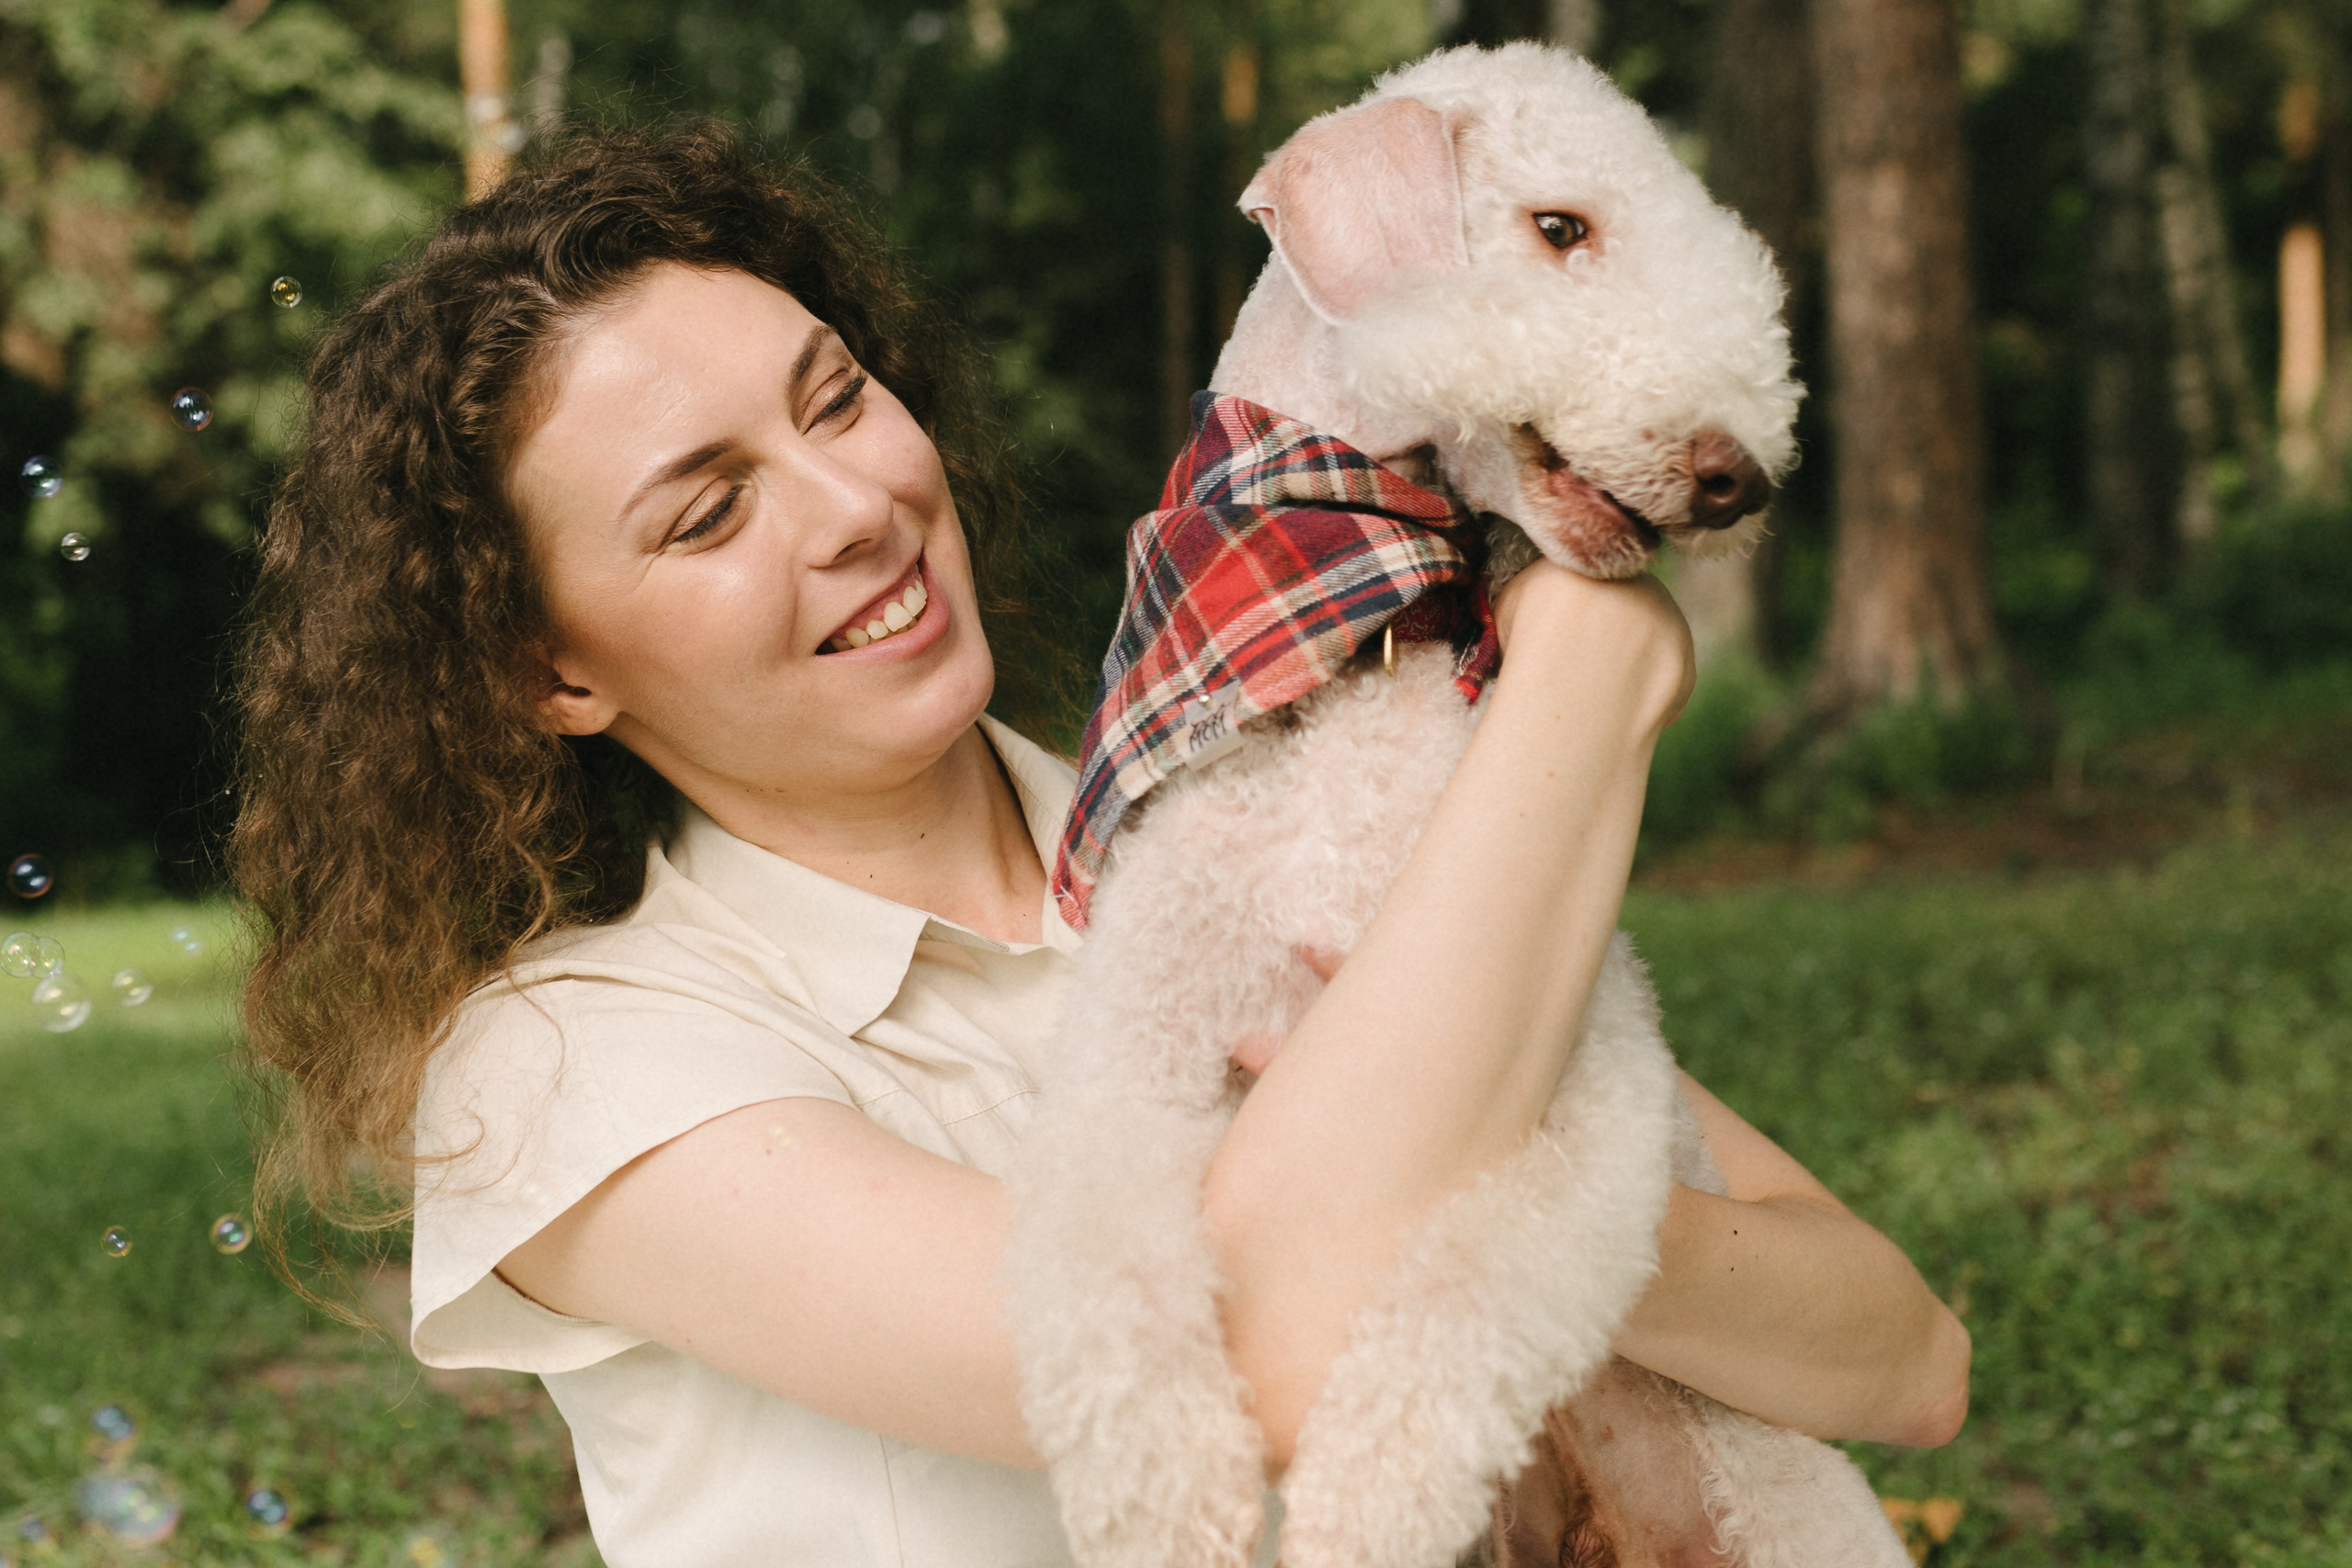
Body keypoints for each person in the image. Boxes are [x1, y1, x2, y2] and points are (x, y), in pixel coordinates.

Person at [232, 124, 1969, 1568]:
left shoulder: (1244, 823)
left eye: (836, 402)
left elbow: (1900, 1357)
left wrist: (1537, 1212)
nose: (854, 509)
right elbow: (1232, 1370)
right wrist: (1584, 688)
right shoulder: (562, 1070)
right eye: (708, 511)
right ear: (552, 668)